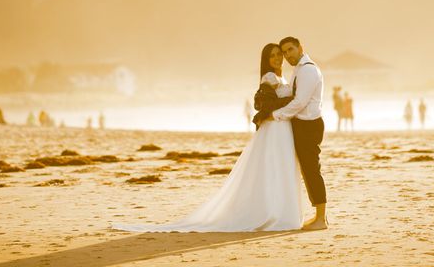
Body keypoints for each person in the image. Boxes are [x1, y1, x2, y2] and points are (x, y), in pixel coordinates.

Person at [112, 42, 304, 233]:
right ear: (266, 60)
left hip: (280, 127)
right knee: (275, 168)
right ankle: (276, 212)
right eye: (273, 56)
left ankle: (278, 210)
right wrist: (295, 99)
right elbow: (271, 104)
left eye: (279, 54)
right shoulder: (269, 77)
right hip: (274, 128)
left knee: (279, 168)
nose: (278, 58)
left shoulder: (280, 77)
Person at [263, 37, 328, 230]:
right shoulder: (299, 70)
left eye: (290, 49)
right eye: (285, 52)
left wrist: (275, 115)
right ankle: (318, 215)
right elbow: (292, 95)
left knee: (311, 170)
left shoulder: (307, 69)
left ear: (300, 48)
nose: (287, 55)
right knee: (307, 171)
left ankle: (321, 219)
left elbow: (300, 102)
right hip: (302, 124)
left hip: (309, 125)